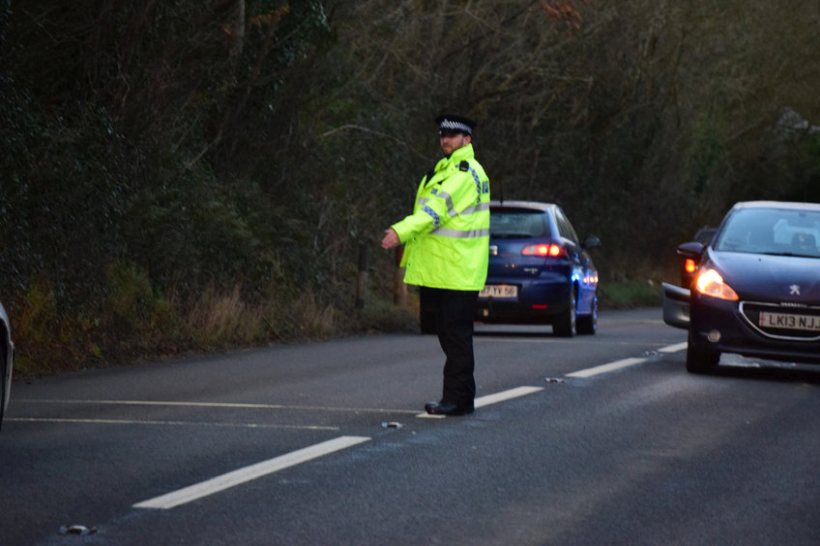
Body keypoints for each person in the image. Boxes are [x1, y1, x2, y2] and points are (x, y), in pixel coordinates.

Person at [381, 114, 491, 416]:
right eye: (443, 134)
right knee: (451, 335)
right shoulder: (449, 168)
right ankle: (461, 397)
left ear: (467, 140)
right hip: (447, 269)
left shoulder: (463, 174)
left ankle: (456, 399)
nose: (446, 139)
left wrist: (400, 232)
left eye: (453, 135)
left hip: (455, 270)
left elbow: (434, 212)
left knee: (455, 337)